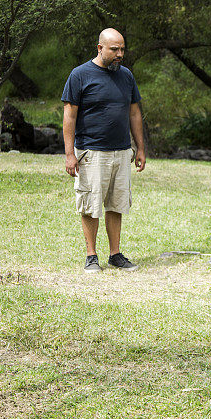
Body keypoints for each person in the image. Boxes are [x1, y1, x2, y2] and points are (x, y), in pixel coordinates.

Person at [61, 28, 146, 273]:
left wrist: (139, 147)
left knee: (116, 204)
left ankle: (115, 254)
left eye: (122, 49)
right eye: (114, 49)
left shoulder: (126, 76)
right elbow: (70, 115)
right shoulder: (80, 75)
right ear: (100, 48)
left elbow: (134, 112)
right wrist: (69, 153)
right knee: (90, 204)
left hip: (121, 152)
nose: (119, 54)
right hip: (91, 152)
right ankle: (91, 256)